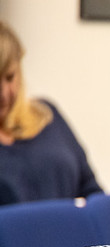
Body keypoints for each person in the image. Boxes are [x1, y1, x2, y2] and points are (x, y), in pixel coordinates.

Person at [0, 21, 102, 205]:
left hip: (68, 232)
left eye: (9, 77)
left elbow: (91, 189)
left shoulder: (47, 115)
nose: (4, 93)